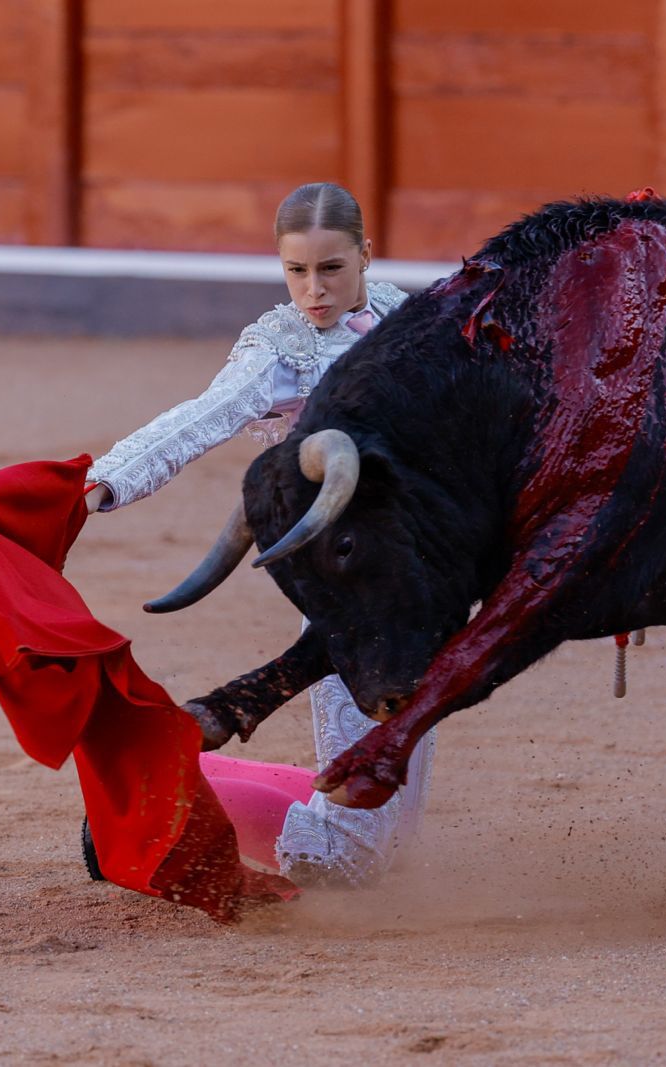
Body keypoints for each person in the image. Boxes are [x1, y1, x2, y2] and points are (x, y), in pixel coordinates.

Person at [82, 182, 434, 888]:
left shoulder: (411, 319)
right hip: (343, 589)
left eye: (331, 268)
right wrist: (105, 481)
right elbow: (200, 418)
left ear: (366, 255)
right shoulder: (282, 349)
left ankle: (189, 768)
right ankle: (148, 788)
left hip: (427, 585)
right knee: (350, 861)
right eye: (296, 271)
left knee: (390, 842)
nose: (314, 290)